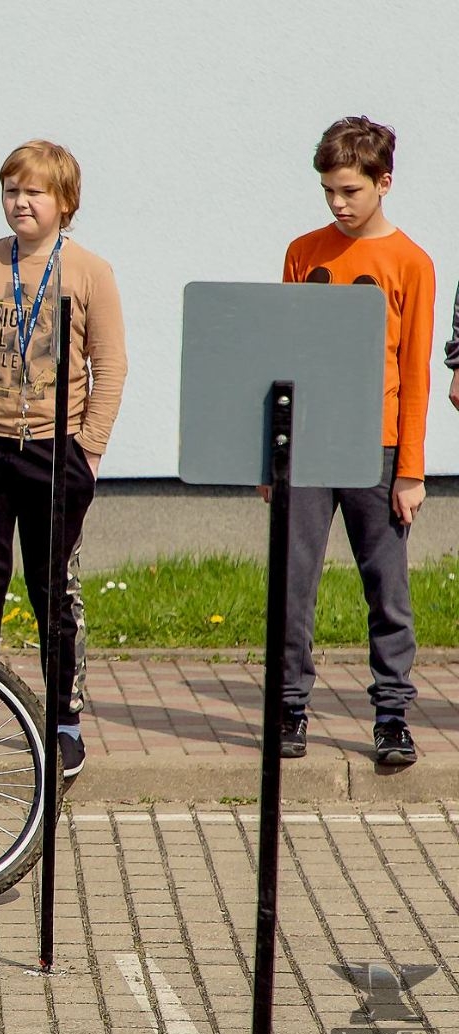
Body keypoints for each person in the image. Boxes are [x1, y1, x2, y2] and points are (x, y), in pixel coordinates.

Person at [0, 139, 128, 781]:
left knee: (52, 594)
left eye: (34, 192)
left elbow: (111, 364)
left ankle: (63, 722)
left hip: (54, 451)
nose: (19, 202)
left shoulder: (89, 271)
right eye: (11, 190)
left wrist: (89, 448)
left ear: (64, 203)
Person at [272, 116, 433, 766]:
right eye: (329, 191)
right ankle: (288, 708)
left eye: (350, 191)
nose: (338, 204)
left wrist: (411, 470)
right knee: (292, 584)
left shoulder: (410, 262)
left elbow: (417, 371)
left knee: (386, 588)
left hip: (378, 451)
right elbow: (279, 356)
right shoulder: (302, 252)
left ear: (383, 182)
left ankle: (392, 715)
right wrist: (271, 458)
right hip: (306, 446)